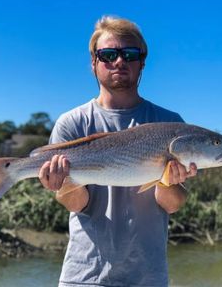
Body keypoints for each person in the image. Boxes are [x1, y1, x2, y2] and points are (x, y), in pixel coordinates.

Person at [39, 16, 197, 287]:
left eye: (130, 54)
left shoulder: (171, 125)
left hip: (149, 277)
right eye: (108, 54)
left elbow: (171, 204)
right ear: (93, 62)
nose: (119, 61)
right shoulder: (72, 122)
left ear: (142, 63)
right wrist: (61, 183)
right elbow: (76, 204)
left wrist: (168, 181)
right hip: (85, 276)